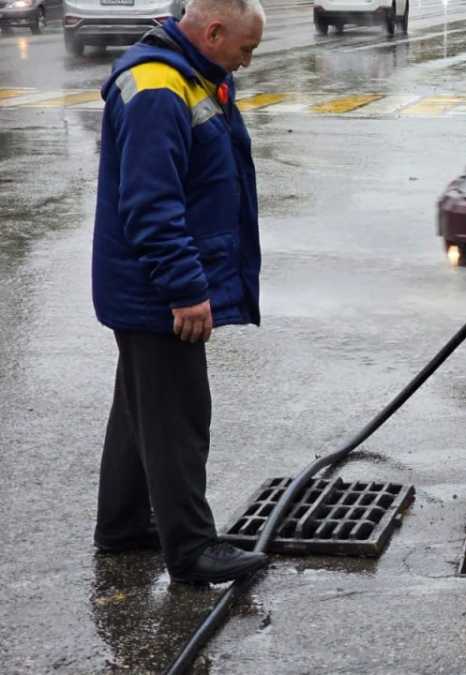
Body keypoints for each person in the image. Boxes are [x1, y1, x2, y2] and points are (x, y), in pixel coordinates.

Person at [91, 0, 268, 584]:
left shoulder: (190, 75)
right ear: (213, 32)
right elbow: (150, 204)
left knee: (140, 409)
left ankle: (122, 527)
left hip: (146, 287)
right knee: (179, 419)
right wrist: (187, 290)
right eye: (244, 49)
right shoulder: (160, 89)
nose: (245, 62)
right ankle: (192, 551)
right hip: (157, 291)